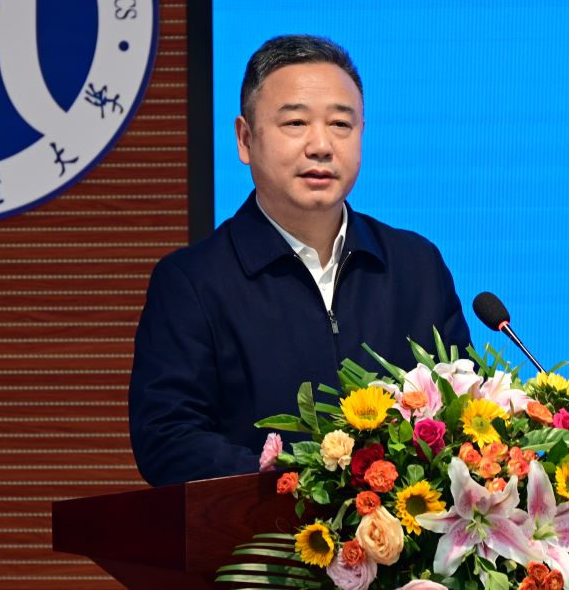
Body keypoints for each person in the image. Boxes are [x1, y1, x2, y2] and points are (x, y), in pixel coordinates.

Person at [128, 35, 470, 486]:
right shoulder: (193, 282)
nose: (321, 145)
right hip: (261, 528)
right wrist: (301, 484)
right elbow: (168, 438)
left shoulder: (415, 267)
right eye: (295, 123)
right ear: (245, 139)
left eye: (341, 124)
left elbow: (462, 407)